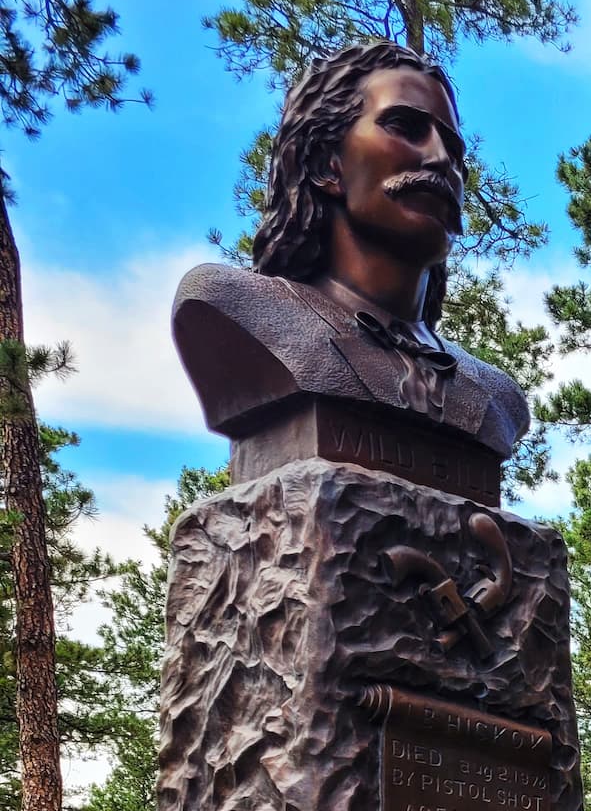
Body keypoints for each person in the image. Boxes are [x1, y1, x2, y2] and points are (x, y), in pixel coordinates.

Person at [172, 41, 530, 484]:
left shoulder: (497, 395)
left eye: (455, 152)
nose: (441, 160)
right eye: (405, 126)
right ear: (327, 163)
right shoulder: (229, 306)